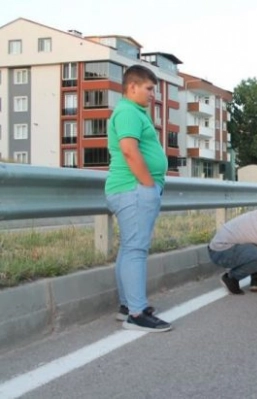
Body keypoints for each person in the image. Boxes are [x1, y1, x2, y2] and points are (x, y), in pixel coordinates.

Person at [105, 65, 171, 333]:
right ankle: (136, 313)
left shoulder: (131, 112)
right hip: (133, 189)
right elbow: (129, 151)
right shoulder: (128, 112)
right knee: (136, 250)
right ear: (132, 87)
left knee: (129, 248)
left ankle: (127, 305)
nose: (152, 94)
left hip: (130, 189)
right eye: (149, 88)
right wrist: (148, 185)